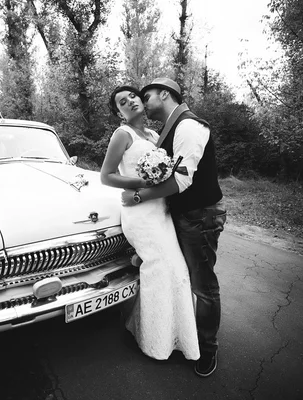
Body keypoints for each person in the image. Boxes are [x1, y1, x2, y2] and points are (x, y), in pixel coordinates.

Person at [121, 78, 226, 377]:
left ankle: (208, 350)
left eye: (147, 95)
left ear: (164, 94)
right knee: (181, 276)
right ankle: (185, 335)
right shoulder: (169, 128)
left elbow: (182, 180)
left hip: (200, 215)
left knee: (203, 287)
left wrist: (139, 196)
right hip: (184, 214)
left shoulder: (190, 126)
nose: (142, 101)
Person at [101, 85, 200, 362]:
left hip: (160, 210)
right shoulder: (123, 134)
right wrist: (141, 183)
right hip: (140, 214)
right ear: (119, 113)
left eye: (133, 96)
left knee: (172, 270)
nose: (130, 101)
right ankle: (155, 342)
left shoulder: (155, 135)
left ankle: (171, 333)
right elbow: (106, 176)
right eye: (122, 102)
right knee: (165, 268)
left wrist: (158, 181)